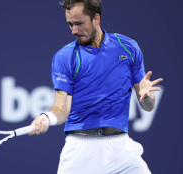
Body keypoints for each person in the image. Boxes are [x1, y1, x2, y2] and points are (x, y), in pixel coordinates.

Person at [29, 0, 163, 173]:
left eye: (79, 24)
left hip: (121, 150)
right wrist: (47, 117)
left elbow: (147, 107)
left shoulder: (128, 47)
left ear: (96, 19)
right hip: (80, 151)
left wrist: (147, 97)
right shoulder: (64, 57)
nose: (74, 31)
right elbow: (61, 107)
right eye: (70, 24)